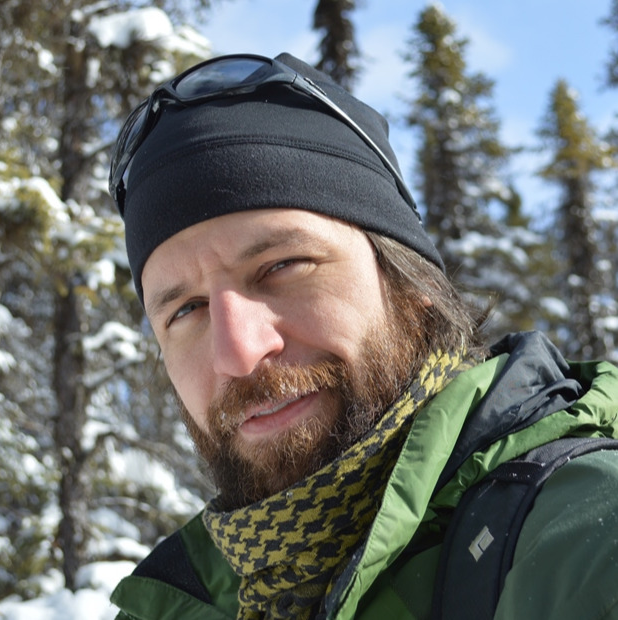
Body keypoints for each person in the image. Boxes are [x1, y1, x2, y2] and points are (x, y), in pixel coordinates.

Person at [108, 53, 618, 620]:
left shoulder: (588, 546)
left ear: (412, 283)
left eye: (282, 266)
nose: (240, 352)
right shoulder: (176, 603)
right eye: (186, 310)